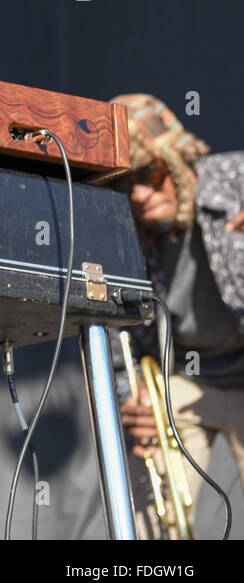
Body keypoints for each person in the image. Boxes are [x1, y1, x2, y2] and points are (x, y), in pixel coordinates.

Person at [111, 94, 244, 538]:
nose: (141, 195)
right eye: (127, 184)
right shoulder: (124, 230)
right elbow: (114, 327)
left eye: (150, 174)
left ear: (180, 159)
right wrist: (130, 397)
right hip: (183, 379)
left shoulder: (236, 179)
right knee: (153, 519)